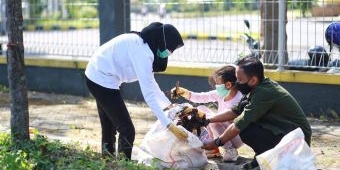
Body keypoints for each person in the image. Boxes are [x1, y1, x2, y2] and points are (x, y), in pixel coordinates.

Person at [85, 22, 187, 159]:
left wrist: (169, 105)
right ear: (161, 41)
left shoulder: (144, 46)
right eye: (170, 49)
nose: (170, 52)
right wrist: (167, 123)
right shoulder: (142, 53)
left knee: (110, 128)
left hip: (99, 75)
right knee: (127, 130)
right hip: (100, 79)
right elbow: (149, 94)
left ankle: (108, 162)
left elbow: (151, 83)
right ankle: (122, 165)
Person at [202, 55, 312, 169]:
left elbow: (238, 125)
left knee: (246, 129)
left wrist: (217, 142)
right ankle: (261, 157)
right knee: (247, 126)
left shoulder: (263, 93)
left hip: (297, 140)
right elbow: (235, 111)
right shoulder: (257, 86)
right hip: (286, 131)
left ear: (253, 80)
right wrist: (207, 120)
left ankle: (267, 159)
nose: (237, 83)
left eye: (240, 80)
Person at [173, 65, 243, 161]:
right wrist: (184, 92)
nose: (216, 86)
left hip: (236, 136)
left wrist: (208, 118)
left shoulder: (239, 99)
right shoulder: (221, 94)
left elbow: (229, 118)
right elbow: (201, 97)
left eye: (218, 83)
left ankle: (230, 150)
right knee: (201, 109)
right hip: (223, 134)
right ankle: (213, 149)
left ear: (228, 85)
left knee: (214, 121)